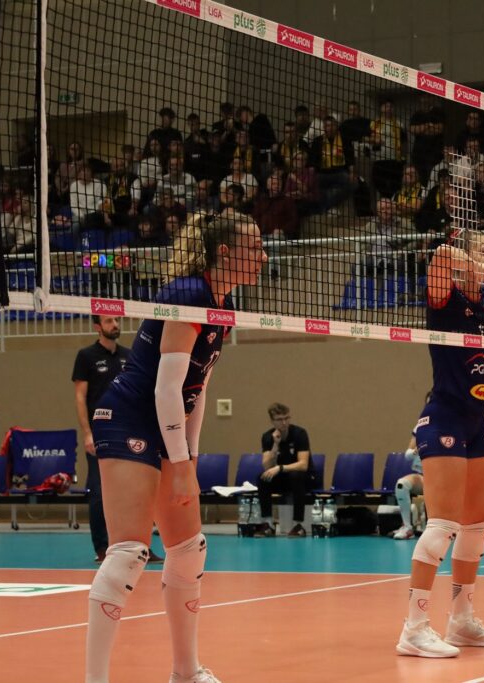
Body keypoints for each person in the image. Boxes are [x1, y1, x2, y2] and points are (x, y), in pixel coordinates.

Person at [86, 211, 267, 683]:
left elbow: (196, 388)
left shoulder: (222, 305)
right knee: (128, 553)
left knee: (188, 550)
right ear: (225, 252)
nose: (264, 255)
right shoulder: (188, 294)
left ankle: (186, 672)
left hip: (165, 422)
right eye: (255, 246)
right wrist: (181, 463)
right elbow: (166, 389)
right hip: (128, 416)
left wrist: (191, 456)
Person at [396, 230, 484, 658]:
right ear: (466, 258)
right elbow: (440, 255)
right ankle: (414, 628)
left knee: (477, 526)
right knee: (443, 525)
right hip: (443, 418)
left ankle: (461, 620)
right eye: (483, 250)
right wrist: (477, 265)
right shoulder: (444, 294)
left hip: (475, 423)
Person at [72, 316, 148, 564]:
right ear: (97, 327)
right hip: (100, 433)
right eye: (108, 321)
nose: (115, 324)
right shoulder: (86, 356)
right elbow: (80, 398)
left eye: (116, 320)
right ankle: (103, 548)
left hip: (127, 432)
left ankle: (139, 546)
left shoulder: (128, 355)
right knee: (99, 491)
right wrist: (87, 433)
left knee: (136, 491)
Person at [256, 403, 313, 538]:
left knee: (296, 475)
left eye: (286, 418)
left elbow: (303, 464)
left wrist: (280, 468)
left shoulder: (300, 434)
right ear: (272, 421)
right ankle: (268, 524)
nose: (284, 422)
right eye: (279, 419)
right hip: (283, 479)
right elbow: (267, 466)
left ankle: (298, 525)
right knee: (262, 477)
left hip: (304, 478)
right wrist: (275, 445)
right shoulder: (267, 437)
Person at [392, 393, 431, 541]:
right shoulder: (421, 426)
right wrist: (415, 451)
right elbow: (408, 454)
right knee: (401, 485)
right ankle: (408, 527)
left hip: (443, 477)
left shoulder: (449, 425)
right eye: (428, 404)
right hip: (423, 475)